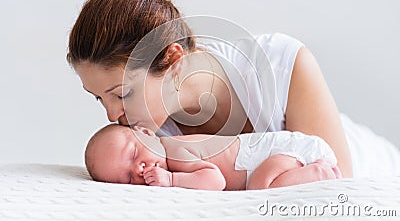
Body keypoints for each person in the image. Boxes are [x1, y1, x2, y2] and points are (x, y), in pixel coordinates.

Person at [68, 0, 400, 179]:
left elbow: (335, 181)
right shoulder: (144, 142)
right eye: (99, 99)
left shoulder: (280, 64)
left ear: (173, 61)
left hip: (378, 167)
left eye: (122, 93)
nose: (113, 115)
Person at [85, 124, 341, 190]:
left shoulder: (175, 152)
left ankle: (320, 172)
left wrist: (172, 180)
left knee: (261, 187)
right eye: (129, 178)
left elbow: (215, 180)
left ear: (144, 132)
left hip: (281, 151)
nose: (139, 169)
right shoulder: (168, 153)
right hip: (277, 154)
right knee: (262, 185)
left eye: (133, 154)